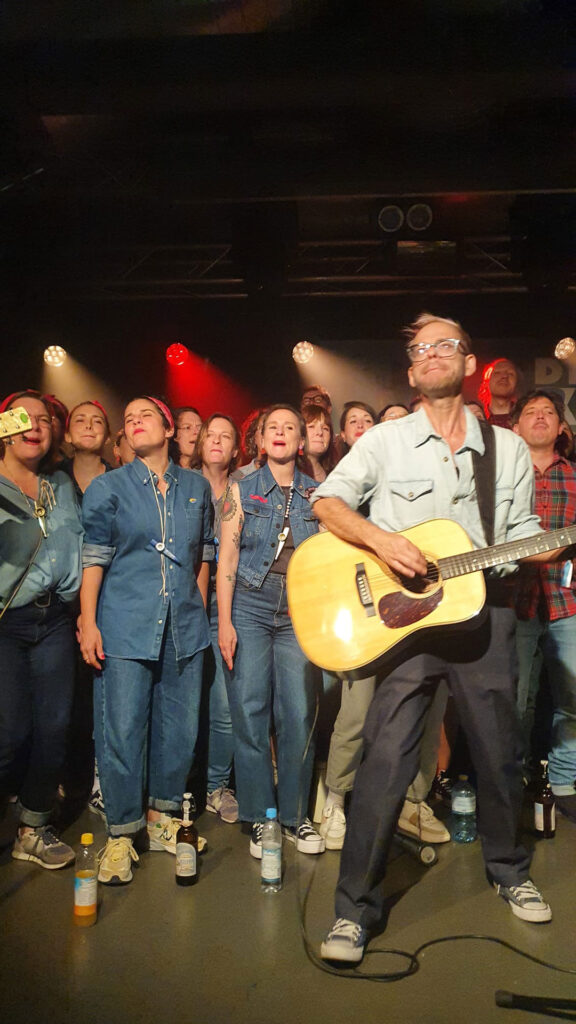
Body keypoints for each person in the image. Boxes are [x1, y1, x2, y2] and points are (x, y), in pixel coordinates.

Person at [313, 312, 557, 964]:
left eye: (445, 342)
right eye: (420, 347)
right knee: (385, 759)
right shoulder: (386, 441)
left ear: (469, 363)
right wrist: (381, 540)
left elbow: (525, 528)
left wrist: (540, 548)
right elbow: (327, 503)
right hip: (406, 623)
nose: (431, 353)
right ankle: (352, 912)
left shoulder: (503, 450)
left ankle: (509, 870)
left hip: (486, 615)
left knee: (500, 751)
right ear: (413, 369)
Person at [79, 396, 214, 885]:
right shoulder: (108, 487)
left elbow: (205, 553)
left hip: (184, 627)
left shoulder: (196, 487)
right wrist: (88, 621)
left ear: (169, 429)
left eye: (145, 416)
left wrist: (194, 607)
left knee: (179, 730)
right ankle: (121, 832)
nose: (134, 423)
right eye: (128, 418)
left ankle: (160, 821)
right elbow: (94, 557)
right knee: (122, 728)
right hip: (124, 624)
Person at [217, 405, 325, 857]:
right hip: (250, 604)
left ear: (301, 442)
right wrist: (224, 621)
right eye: (272, 428)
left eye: (290, 428)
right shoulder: (239, 490)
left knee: (298, 713)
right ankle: (262, 817)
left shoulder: (321, 493)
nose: (281, 433)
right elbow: (226, 557)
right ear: (261, 439)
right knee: (250, 707)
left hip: (299, 609)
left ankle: (296, 816)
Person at [0, 390, 83, 869]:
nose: (34, 425)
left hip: (54, 618)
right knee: (9, 729)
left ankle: (32, 828)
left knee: (54, 726)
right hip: (7, 620)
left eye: (45, 419)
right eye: (22, 418)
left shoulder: (61, 485)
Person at [512, 389, 576, 822]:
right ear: (516, 427)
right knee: (516, 701)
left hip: (566, 601)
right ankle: (511, 779)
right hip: (514, 602)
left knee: (572, 697)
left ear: (560, 427)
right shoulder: (505, 478)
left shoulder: (574, 475)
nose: (539, 417)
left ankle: (565, 780)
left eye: (547, 412)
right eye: (530, 412)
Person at [190, 413, 241, 823]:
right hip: (186, 603)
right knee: (185, 702)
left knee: (224, 704)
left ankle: (216, 786)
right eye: (212, 434)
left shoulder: (244, 489)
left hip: (229, 605)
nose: (218, 440)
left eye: (227, 436)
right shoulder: (178, 484)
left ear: (236, 448)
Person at [301, 402, 338, 482]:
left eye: (325, 428)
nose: (320, 432)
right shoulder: (289, 473)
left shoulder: (336, 475)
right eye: (311, 426)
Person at [478, 357, 519, 428]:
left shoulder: (525, 419)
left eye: (510, 374)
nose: (504, 376)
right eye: (497, 373)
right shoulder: (475, 418)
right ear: (487, 381)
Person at [233, 407, 266, 478]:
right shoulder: (238, 475)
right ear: (254, 437)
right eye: (263, 428)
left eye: (272, 428)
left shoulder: (291, 475)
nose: (266, 434)